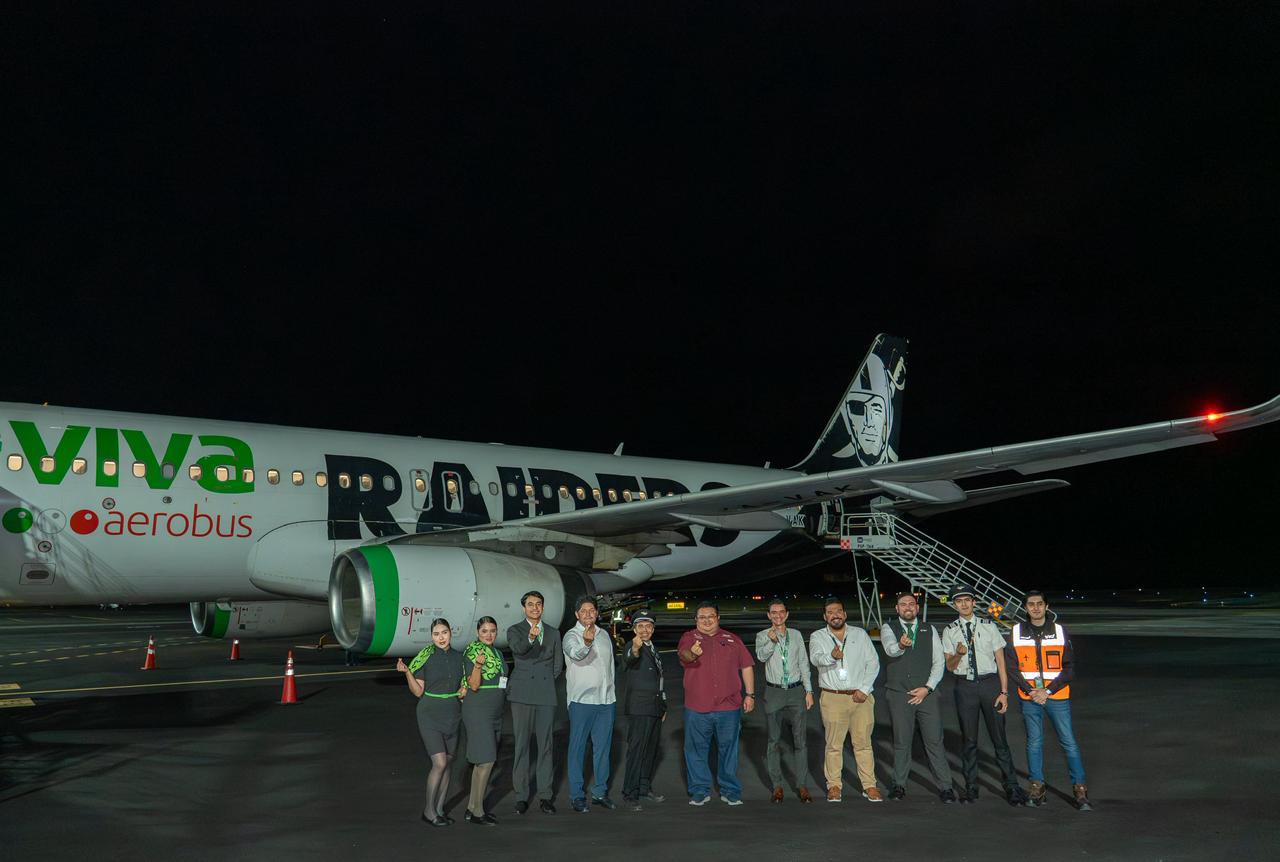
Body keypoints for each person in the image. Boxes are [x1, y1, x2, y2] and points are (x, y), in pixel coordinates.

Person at [941, 585, 1028, 805]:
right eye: (959, 601)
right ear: (954, 604)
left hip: (990, 684)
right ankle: (971, 787)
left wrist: (1004, 692)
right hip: (965, 687)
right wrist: (958, 654)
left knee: (999, 739)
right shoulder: (950, 630)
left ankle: (1012, 786)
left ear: (973, 602)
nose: (963, 604)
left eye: (967, 600)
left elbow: (1001, 661)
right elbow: (950, 666)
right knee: (969, 740)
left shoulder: (989, 626)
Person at [1005, 590, 1091, 810]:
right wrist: (1032, 691)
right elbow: (1012, 667)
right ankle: (1037, 786)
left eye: (1039, 604)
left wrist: (1048, 691)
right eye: (1031, 604)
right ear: (1025, 608)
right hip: (1030, 697)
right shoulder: (1016, 632)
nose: (1035, 608)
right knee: (1034, 742)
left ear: (1046, 606)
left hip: (1057, 696)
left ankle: (1080, 789)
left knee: (1068, 742)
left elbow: (1069, 668)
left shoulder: (1060, 631)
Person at [677, 601, 755, 806]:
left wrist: (750, 694)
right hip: (697, 707)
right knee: (695, 750)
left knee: (729, 750)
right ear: (696, 620)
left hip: (728, 707)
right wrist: (693, 653)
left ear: (718, 618)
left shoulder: (732, 639)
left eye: (710, 616)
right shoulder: (689, 638)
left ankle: (730, 790)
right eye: (702, 617)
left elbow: (747, 666)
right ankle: (699, 790)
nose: (706, 621)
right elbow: (684, 655)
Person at [880, 592, 956, 802]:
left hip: (926, 694)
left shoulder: (928, 629)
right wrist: (901, 645)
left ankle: (946, 786)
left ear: (917, 607)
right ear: (897, 608)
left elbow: (938, 662)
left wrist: (927, 688)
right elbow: (890, 649)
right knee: (902, 741)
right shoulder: (889, 628)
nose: (907, 607)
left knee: (934, 741)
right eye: (903, 604)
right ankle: (899, 784)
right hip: (899, 693)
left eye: (911, 604)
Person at [809, 597, 882, 803]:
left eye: (838, 611)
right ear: (825, 617)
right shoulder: (818, 636)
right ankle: (834, 785)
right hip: (833, 697)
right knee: (834, 745)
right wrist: (831, 656)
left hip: (861, 698)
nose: (835, 615)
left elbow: (873, 663)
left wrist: (864, 690)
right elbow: (815, 658)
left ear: (845, 614)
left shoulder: (859, 634)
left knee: (863, 744)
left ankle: (869, 786)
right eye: (830, 612)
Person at [396, 618, 468, 827]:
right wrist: (407, 672)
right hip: (430, 714)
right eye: (436, 634)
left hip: (453, 713)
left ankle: (440, 808)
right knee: (440, 763)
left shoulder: (460, 658)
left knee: (449, 763)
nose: (441, 638)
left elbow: (463, 686)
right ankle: (429, 810)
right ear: (431, 636)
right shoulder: (425, 657)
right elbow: (418, 692)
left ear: (450, 632)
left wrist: (464, 690)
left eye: (444, 632)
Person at [506, 590, 564, 815]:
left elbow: (557, 665)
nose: (535, 608)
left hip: (545, 694)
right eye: (530, 604)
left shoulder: (553, 632)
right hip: (521, 694)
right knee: (521, 745)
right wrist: (531, 637)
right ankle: (521, 796)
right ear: (524, 608)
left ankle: (545, 795)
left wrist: (545, 681)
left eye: (538, 604)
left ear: (543, 607)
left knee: (546, 746)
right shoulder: (515, 630)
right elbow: (518, 650)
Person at [754, 599, 816, 803]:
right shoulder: (762, 635)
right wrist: (771, 641)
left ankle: (802, 785)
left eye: (781, 612)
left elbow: (803, 663)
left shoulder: (796, 635)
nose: (778, 615)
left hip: (796, 691)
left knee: (800, 740)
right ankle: (777, 786)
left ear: (787, 614)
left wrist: (808, 691)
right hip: (774, 692)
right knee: (774, 740)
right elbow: (761, 657)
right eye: (774, 612)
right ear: (768, 615)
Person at [562, 596, 617, 812]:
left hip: (606, 701)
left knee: (603, 749)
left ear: (597, 613)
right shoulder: (571, 636)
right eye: (583, 611)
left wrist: (611, 692)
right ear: (577, 614)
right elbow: (575, 654)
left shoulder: (604, 635)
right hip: (582, 701)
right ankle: (577, 795)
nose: (588, 614)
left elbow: (609, 667)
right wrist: (586, 643)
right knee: (577, 749)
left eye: (592, 610)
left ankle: (600, 792)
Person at [462, 616, 507, 826]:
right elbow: (473, 685)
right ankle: (478, 812)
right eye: (484, 631)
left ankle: (471, 807)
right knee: (487, 760)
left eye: (492, 631)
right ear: (477, 633)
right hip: (479, 710)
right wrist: (478, 666)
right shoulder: (472, 652)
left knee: (482, 761)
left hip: (495, 711)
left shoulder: (497, 653)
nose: (489, 635)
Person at [620, 609, 667, 811]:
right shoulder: (633, 646)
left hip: (654, 706)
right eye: (640, 626)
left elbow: (659, 680)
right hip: (639, 707)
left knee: (650, 750)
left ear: (653, 629)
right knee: (637, 751)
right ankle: (629, 793)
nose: (644, 630)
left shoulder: (653, 649)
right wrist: (635, 648)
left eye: (648, 626)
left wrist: (663, 705)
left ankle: (644, 788)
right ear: (634, 629)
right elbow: (629, 659)